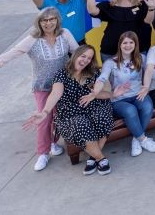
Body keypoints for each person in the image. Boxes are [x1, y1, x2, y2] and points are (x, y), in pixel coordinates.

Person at [0, 8, 78, 171]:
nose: (48, 23)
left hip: (64, 84)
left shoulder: (65, 34)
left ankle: (52, 142)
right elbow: (5, 57)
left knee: (59, 116)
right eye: (44, 20)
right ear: (39, 22)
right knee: (44, 118)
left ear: (57, 20)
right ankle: (43, 153)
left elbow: (78, 53)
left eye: (52, 19)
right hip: (42, 86)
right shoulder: (32, 40)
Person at [24, 45, 114, 176]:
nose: (86, 60)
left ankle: (93, 159)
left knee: (102, 117)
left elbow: (106, 94)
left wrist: (96, 95)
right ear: (76, 55)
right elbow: (55, 94)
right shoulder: (62, 74)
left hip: (95, 106)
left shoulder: (93, 73)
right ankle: (101, 159)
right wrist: (44, 112)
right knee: (80, 125)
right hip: (70, 113)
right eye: (83, 56)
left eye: (89, 58)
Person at [91, 32, 155, 156]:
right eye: (125, 43)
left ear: (135, 44)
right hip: (119, 99)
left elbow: (154, 73)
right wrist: (95, 91)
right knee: (130, 110)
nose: (128, 45)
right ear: (120, 45)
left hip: (138, 94)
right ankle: (144, 140)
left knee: (147, 106)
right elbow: (102, 78)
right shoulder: (110, 62)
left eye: (131, 42)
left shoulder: (141, 58)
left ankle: (137, 139)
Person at [86, 0, 155, 61]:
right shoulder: (108, 5)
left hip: (137, 50)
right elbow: (92, 11)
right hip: (111, 52)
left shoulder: (140, 4)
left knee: (138, 75)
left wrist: (151, 7)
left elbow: (148, 21)